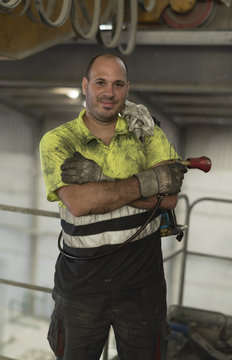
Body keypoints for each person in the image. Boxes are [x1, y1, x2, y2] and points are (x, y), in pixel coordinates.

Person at [39, 53, 187, 360]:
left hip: (142, 281)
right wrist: (148, 182)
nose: (110, 92)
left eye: (118, 84)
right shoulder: (58, 141)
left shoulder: (145, 133)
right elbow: (80, 203)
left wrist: (100, 179)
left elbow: (170, 196)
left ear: (127, 88)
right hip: (81, 283)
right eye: (101, 82)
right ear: (85, 85)